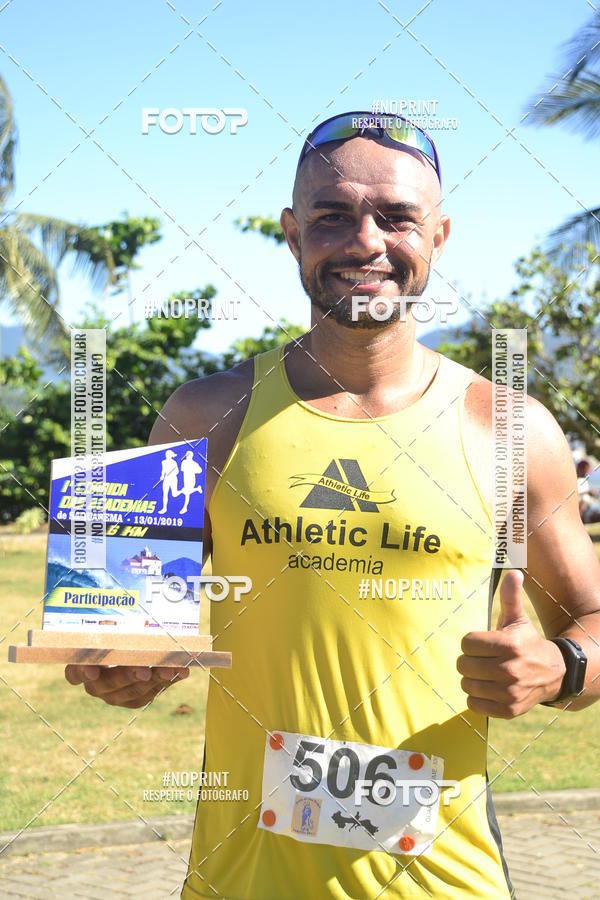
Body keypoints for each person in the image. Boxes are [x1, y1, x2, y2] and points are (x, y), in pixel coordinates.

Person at [65, 111, 600, 899]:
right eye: (333, 215)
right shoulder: (203, 415)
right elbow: (113, 624)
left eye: (397, 217)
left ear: (440, 235)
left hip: (445, 883)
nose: (365, 242)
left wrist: (561, 665)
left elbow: (591, 621)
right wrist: (124, 665)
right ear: (292, 233)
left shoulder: (511, 430)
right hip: (240, 880)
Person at [179, 450, 203, 514]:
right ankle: (197, 488)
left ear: (191, 456)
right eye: (186, 455)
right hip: (185, 479)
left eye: (188, 455)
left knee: (187, 493)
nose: (187, 456)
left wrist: (193, 470)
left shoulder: (194, 463)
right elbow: (183, 470)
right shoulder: (183, 462)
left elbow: (200, 470)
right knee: (186, 491)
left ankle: (185, 508)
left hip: (191, 479)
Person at [577, 458, 600, 523]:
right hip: (581, 505)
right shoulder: (577, 480)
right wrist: (588, 491)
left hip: (587, 506)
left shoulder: (584, 480)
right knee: (585, 500)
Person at [158, 448, 180, 514]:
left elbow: (177, 471)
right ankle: (164, 508)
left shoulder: (174, 462)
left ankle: (183, 491)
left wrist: (171, 474)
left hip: (173, 479)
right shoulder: (163, 462)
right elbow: (163, 470)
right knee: (165, 493)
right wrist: (162, 476)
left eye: (168, 454)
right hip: (166, 479)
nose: (167, 455)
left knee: (174, 494)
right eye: (166, 454)